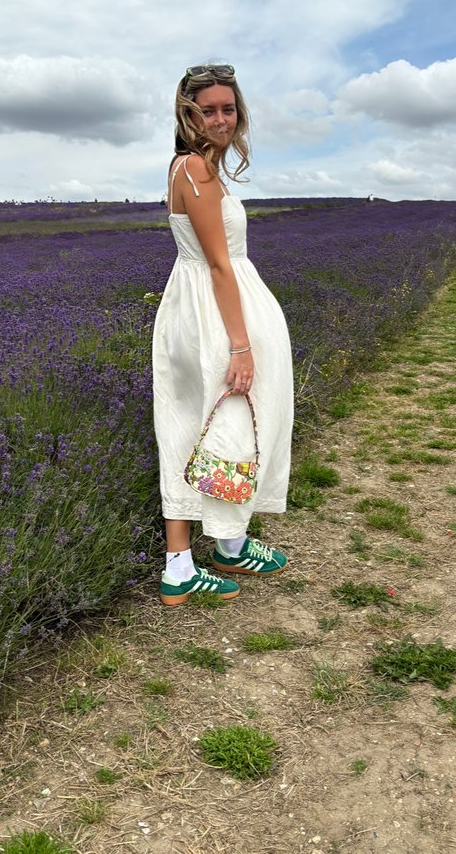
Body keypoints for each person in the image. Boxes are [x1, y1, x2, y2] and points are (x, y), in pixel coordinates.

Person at [152, 62, 294, 606]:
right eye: (207, 109)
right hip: (213, 315)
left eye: (228, 109)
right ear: (188, 114)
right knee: (220, 428)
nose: (220, 119)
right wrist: (240, 344)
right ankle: (182, 565)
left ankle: (226, 545)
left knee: (198, 426)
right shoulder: (197, 172)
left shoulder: (191, 169)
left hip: (195, 310)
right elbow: (217, 266)